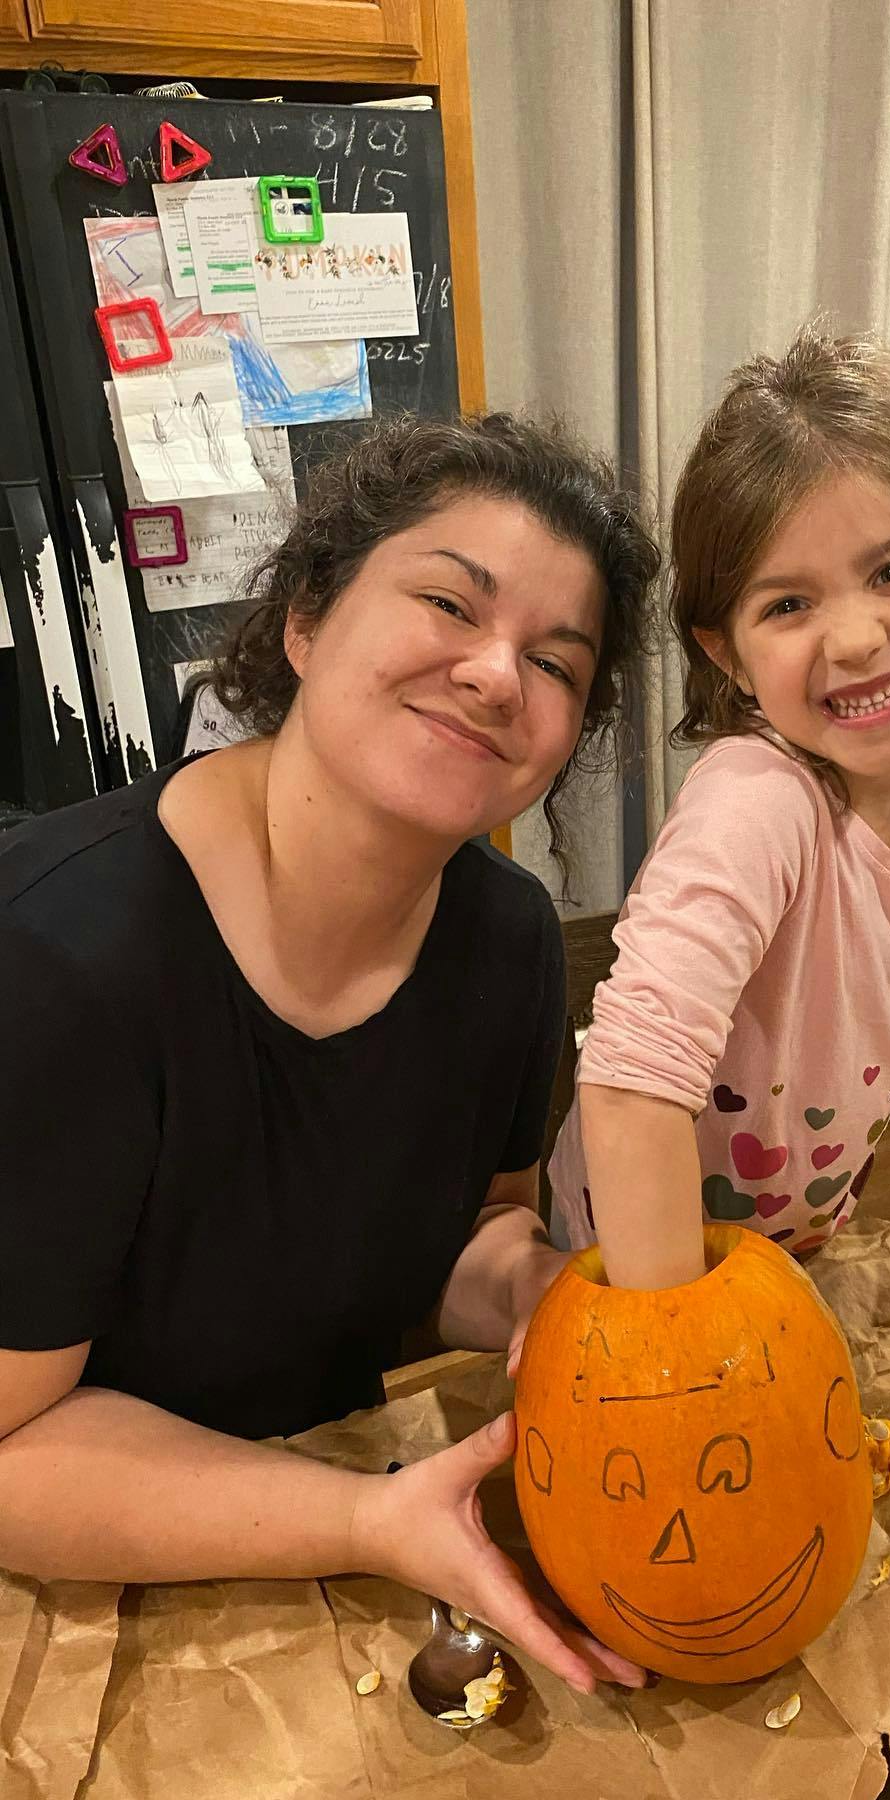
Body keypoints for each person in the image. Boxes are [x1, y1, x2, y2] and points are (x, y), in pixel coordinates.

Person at [0, 414, 658, 1696]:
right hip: (95, 1607)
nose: (495, 673)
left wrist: (544, 1299)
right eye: (447, 605)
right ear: (306, 618)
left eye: (557, 663)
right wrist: (361, 1522)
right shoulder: (61, 960)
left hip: (346, 1526)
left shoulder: (512, 942)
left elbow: (462, 1233)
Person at [549, 325, 890, 1320]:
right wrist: (668, 1338)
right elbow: (631, 1083)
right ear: (729, 656)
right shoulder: (758, 804)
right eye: (789, 604)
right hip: (636, 1273)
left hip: (785, 1254)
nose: (854, 639)